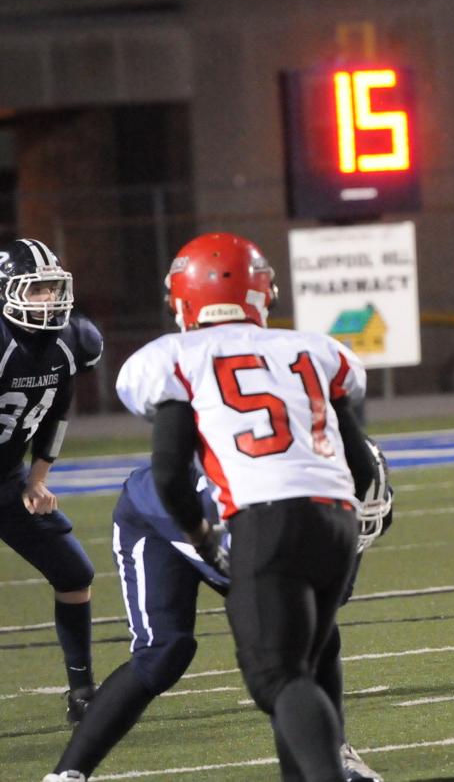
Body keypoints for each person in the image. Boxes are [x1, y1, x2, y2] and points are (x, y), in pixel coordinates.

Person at [114, 232, 378, 780]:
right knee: (305, 664)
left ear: (184, 298)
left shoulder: (177, 356)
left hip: (264, 519)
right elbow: (364, 461)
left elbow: (168, 473)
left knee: (278, 677)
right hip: (338, 521)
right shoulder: (313, 349)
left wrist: (201, 534)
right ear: (263, 291)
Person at [42, 441, 392, 782]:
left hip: (250, 538)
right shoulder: (257, 508)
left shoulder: (329, 505)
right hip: (161, 524)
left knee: (316, 632)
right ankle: (66, 773)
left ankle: (335, 751)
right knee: (164, 654)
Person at [0, 238, 102, 724]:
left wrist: (37, 477)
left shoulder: (71, 341)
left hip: (6, 480)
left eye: (51, 288)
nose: (48, 299)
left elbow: (57, 409)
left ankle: (82, 690)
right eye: (36, 289)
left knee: (74, 573)